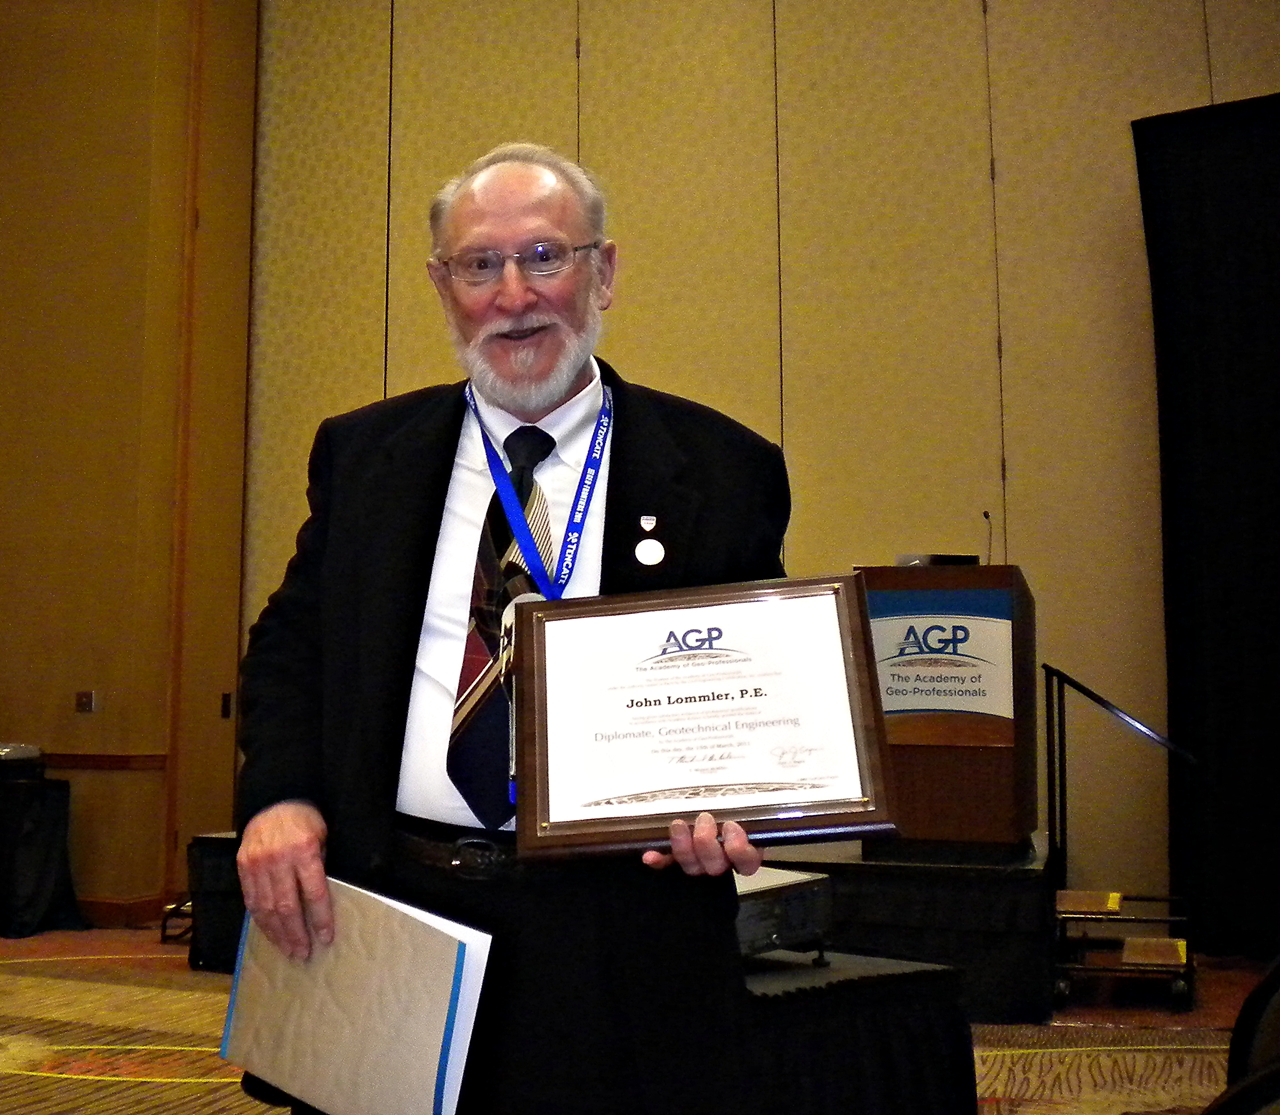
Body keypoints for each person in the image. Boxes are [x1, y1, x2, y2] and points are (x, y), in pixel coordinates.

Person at [235, 143, 791, 1115]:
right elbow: (293, 648)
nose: (513, 294)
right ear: (440, 286)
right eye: (478, 265)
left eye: (544, 256)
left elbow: (754, 686)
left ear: (603, 272)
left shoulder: (720, 465)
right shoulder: (364, 454)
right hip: (396, 906)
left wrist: (732, 803)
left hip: (615, 933)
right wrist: (279, 796)